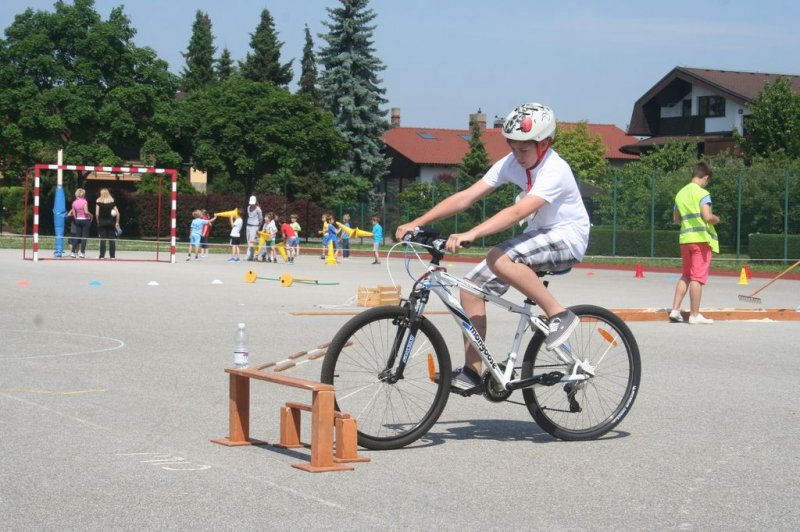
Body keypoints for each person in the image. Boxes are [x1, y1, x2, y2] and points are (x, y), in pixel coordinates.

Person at [395, 102, 589, 392]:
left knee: (499, 256)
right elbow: (466, 197)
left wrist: (471, 233)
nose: (517, 155)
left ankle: (558, 313)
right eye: (513, 148)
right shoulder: (511, 163)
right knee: (471, 287)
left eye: (524, 149)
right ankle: (474, 371)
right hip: (539, 235)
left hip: (567, 237)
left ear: (544, 144)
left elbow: (517, 213)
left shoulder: (555, 170)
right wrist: (417, 221)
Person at [669, 162, 720, 325]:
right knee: (697, 277)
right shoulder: (702, 193)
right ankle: (695, 314)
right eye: (707, 180)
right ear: (705, 177)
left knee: (686, 275)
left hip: (685, 239)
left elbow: (676, 219)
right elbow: (707, 216)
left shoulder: (680, 194)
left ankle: (675, 310)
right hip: (700, 240)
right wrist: (715, 219)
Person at [95, 188, 120, 260]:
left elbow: (97, 213)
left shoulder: (98, 201)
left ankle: (102, 256)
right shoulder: (112, 202)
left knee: (102, 239)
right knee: (112, 239)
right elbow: (117, 213)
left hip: (102, 222)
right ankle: (112, 256)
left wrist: (98, 221)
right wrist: (117, 222)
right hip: (110, 222)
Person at [68, 188, 92, 258]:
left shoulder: (74, 202)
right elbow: (86, 212)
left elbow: (74, 214)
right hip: (85, 220)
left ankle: (73, 252)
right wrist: (91, 215)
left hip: (78, 220)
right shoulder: (84, 201)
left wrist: (76, 219)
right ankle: (82, 252)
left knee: (77, 236)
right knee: (84, 237)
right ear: (83, 194)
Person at [245, 196, 263, 261]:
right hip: (248, 226)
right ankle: (251, 256)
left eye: (253, 203)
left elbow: (261, 219)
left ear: (255, 202)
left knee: (252, 241)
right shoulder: (248, 207)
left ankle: (249, 256)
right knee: (248, 241)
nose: (251, 204)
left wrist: (258, 227)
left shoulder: (258, 209)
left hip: (255, 226)